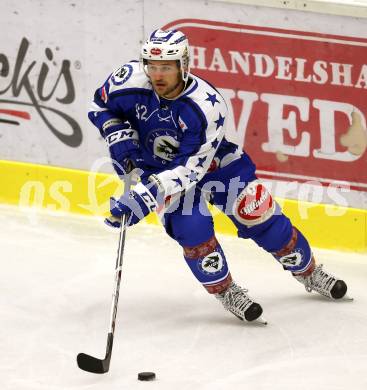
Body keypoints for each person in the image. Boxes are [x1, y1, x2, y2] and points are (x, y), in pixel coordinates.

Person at [88, 28, 348, 323]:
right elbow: (99, 104)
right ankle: (227, 291)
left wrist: (145, 197)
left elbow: (191, 169)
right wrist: (116, 133)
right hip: (158, 170)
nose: (157, 75)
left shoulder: (205, 105)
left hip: (215, 166)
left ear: (183, 65)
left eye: (166, 67)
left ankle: (310, 272)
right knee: (193, 229)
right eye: (153, 66)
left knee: (260, 216)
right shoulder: (129, 80)